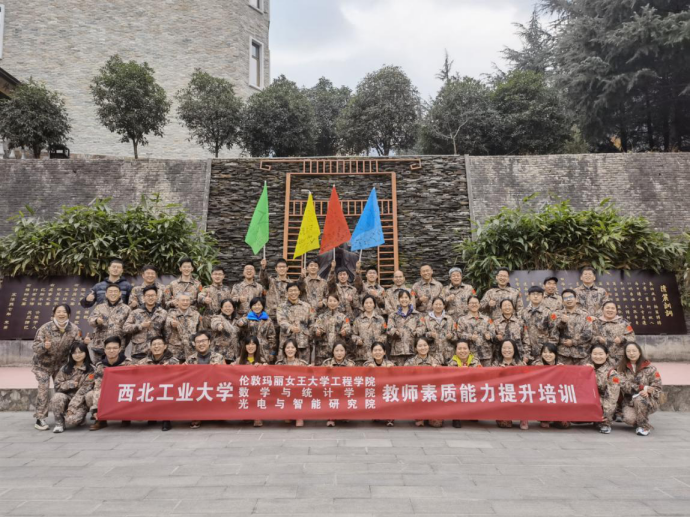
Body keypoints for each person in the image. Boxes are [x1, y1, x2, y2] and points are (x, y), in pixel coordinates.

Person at [32, 304, 85, 431]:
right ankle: (40, 418)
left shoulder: (74, 329)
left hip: (61, 365)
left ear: (69, 314)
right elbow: (35, 347)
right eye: (58, 312)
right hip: (43, 365)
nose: (61, 314)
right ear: (54, 314)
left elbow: (77, 347)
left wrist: (85, 343)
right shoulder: (45, 328)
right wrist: (44, 346)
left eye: (64, 312)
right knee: (43, 389)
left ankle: (66, 414)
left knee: (62, 389)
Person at [87, 336, 132, 431]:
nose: (112, 351)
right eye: (109, 348)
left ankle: (126, 417)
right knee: (90, 395)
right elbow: (98, 386)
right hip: (107, 393)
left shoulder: (128, 364)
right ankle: (101, 419)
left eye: (115, 348)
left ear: (120, 349)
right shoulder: (100, 366)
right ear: (105, 350)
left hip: (123, 393)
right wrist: (95, 409)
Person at [49, 341, 95, 433]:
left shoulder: (91, 369)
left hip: (82, 401)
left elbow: (84, 390)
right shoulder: (65, 368)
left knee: (72, 420)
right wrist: (69, 384)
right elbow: (57, 386)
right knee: (57, 397)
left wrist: (72, 408)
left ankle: (82, 418)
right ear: (71, 354)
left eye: (80, 352)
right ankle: (59, 424)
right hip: (67, 398)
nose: (77, 355)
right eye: (74, 353)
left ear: (86, 353)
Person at [618, 343, 662, 436]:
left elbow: (657, 388)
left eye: (634, 351)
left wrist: (647, 392)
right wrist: (643, 387)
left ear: (639, 352)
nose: (631, 353)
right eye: (628, 351)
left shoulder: (651, 368)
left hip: (648, 400)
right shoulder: (621, 368)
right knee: (628, 419)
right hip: (629, 401)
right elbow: (623, 385)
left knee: (640, 399)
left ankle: (643, 427)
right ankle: (640, 419)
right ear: (625, 353)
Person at [136, 336, 179, 432]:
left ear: (165, 346)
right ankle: (151, 415)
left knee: (167, 392)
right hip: (150, 390)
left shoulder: (173, 362)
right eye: (154, 345)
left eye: (159, 344)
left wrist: (170, 370)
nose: (156, 347)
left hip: (166, 390)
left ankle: (166, 419)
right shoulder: (143, 362)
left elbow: (179, 378)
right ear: (150, 347)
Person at [186, 331, 225, 429]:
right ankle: (196, 416)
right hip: (197, 389)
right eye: (198, 342)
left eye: (203, 341)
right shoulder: (190, 359)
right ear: (194, 344)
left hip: (214, 387)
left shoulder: (219, 357)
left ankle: (218, 413)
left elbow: (227, 375)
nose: (201, 344)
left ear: (209, 342)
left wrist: (220, 369)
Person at [88, 284, 131, 363]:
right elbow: (90, 320)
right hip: (100, 346)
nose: (113, 293)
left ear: (120, 294)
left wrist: (123, 341)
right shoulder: (99, 307)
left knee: (117, 368)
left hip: (118, 347)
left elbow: (129, 329)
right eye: (110, 291)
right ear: (106, 294)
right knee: (99, 367)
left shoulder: (126, 309)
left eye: (115, 291)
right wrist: (97, 321)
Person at [405, 338, 443, 428]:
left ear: (428, 346)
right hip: (417, 393)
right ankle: (420, 416)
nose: (423, 348)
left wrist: (438, 369)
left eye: (425, 345)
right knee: (419, 422)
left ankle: (431, 415)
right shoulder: (410, 362)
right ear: (416, 348)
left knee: (437, 424)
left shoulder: (435, 361)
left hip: (431, 392)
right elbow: (405, 377)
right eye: (420, 346)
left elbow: (441, 379)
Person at [124, 286, 168, 362]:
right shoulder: (135, 312)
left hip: (157, 352)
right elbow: (125, 328)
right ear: (143, 297)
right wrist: (140, 326)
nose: (150, 298)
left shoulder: (163, 313)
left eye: (153, 295)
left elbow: (166, 333)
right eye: (148, 296)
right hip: (139, 351)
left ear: (156, 297)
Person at [532, 342, 569, 430]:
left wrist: (562, 370)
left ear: (555, 354)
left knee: (564, 424)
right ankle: (544, 418)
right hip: (542, 393)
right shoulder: (537, 364)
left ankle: (556, 418)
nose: (547, 355)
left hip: (556, 395)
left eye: (550, 352)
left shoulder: (560, 365)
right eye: (545, 352)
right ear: (541, 354)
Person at [552, 289, 594, 366]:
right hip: (563, 354)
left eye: (570, 297)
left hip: (581, 354)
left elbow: (588, 334)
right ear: (562, 301)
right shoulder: (557, 314)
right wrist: (562, 322)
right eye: (565, 298)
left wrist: (573, 341)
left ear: (576, 299)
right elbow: (554, 332)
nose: (568, 299)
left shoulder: (585, 314)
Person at [493, 339, 528, 430]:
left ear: (514, 349)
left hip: (517, 394)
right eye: (504, 348)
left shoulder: (520, 364)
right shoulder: (496, 363)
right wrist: (499, 371)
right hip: (502, 395)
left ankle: (523, 417)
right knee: (505, 424)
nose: (507, 350)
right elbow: (491, 380)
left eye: (509, 348)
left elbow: (527, 381)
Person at [447, 340, 482, 429]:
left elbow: (481, 376)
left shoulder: (475, 361)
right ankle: (456, 417)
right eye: (459, 349)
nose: (462, 351)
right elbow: (449, 379)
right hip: (458, 388)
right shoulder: (452, 362)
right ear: (455, 351)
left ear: (469, 350)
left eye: (465, 348)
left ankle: (472, 413)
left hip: (472, 387)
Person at [277, 283, 314, 364]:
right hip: (287, 344)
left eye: (295, 290)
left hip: (303, 343)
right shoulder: (281, 306)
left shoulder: (307, 306)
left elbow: (312, 323)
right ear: (287, 292)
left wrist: (309, 335)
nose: (293, 293)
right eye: (290, 291)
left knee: (303, 366)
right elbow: (281, 321)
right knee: (284, 367)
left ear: (299, 292)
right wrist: (290, 327)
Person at [275, 339, 309, 427]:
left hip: (298, 392)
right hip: (285, 391)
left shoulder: (302, 364)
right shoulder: (279, 364)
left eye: (292, 347)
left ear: (296, 349)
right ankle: (288, 413)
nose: (290, 350)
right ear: (284, 350)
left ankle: (299, 416)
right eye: (287, 348)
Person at [235, 336, 266, 428]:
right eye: (248, 344)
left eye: (253, 344)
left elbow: (267, 375)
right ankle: (247, 413)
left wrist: (263, 367)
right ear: (244, 346)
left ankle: (257, 416)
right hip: (244, 390)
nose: (250, 346)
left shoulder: (262, 360)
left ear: (257, 346)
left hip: (257, 390)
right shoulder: (239, 360)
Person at [589, 344, 621, 435]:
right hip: (589, 399)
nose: (597, 356)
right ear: (591, 355)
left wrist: (605, 417)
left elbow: (612, 398)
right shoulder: (587, 367)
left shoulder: (611, 373)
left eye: (601, 354)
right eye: (595, 354)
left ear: (606, 355)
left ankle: (605, 422)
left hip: (603, 402)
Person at [322, 342, 355, 428]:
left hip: (345, 389)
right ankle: (331, 418)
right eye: (336, 351)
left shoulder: (350, 363)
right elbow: (320, 378)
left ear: (345, 352)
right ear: (333, 351)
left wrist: (352, 370)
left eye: (341, 350)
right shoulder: (327, 363)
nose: (339, 353)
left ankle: (344, 415)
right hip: (331, 389)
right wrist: (326, 370)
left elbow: (356, 378)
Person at [313, 294, 351, 367]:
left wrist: (345, 331)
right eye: (330, 301)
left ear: (338, 302)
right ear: (327, 302)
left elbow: (348, 327)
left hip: (338, 351)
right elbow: (316, 327)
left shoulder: (344, 317)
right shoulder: (321, 317)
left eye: (334, 301)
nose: (332, 303)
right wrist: (317, 331)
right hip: (323, 350)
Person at [457, 296, 495, 367]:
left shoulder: (487, 319)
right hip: (469, 355)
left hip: (486, 354)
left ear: (479, 304)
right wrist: (470, 337)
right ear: (468, 305)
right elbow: (459, 334)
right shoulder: (462, 319)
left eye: (476, 303)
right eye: (472, 303)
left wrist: (489, 335)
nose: (474, 305)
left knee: (487, 373)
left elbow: (493, 332)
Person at [387, 290, 422, 366]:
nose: (404, 299)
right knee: (399, 372)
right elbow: (389, 328)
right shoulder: (393, 315)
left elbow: (422, 326)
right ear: (399, 299)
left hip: (412, 348)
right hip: (397, 350)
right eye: (402, 297)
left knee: (412, 372)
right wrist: (395, 332)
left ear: (410, 299)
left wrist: (417, 332)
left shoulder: (417, 314)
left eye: (406, 297)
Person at [164, 293, 202, 363]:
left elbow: (200, 332)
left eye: (187, 300)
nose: (185, 302)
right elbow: (166, 323)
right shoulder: (171, 313)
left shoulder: (196, 314)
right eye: (183, 300)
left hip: (191, 350)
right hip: (175, 350)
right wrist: (171, 323)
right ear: (177, 302)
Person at [520, 286, 555, 363]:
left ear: (542, 296)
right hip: (527, 351)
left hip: (544, 351)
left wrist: (549, 349)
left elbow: (554, 331)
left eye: (538, 294)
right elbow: (522, 332)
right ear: (529, 296)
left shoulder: (548, 312)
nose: (536, 296)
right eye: (533, 294)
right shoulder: (524, 312)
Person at [364, 342, 396, 427]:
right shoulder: (367, 364)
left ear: (384, 352)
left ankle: (390, 417)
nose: (377, 352)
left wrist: (392, 369)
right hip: (374, 390)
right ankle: (376, 414)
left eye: (380, 350)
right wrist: (368, 369)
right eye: (375, 350)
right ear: (371, 352)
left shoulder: (390, 364)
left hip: (386, 389)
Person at [237, 297, 277, 364]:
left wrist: (272, 353)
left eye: (259, 305)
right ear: (251, 307)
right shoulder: (248, 317)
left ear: (262, 306)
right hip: (250, 348)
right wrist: (241, 323)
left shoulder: (268, 320)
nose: (257, 307)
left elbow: (272, 338)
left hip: (264, 350)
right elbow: (240, 322)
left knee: (263, 367)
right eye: (254, 305)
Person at [419, 297, 457, 364]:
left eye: (440, 304)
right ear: (432, 305)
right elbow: (421, 335)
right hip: (433, 354)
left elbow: (456, 334)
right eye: (436, 304)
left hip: (449, 353)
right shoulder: (426, 319)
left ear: (444, 306)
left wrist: (452, 336)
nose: (438, 306)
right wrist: (430, 334)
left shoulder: (449, 318)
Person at [351, 295, 387, 366]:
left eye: (371, 303)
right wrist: (357, 340)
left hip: (378, 355)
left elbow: (385, 333)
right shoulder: (358, 320)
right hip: (362, 354)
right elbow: (353, 335)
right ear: (363, 305)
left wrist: (381, 339)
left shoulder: (381, 319)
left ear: (374, 304)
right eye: (366, 303)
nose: (368, 305)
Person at [493, 299, 532, 364]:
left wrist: (526, 355)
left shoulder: (520, 322)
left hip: (519, 357)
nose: (507, 307)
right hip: (501, 358)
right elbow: (492, 341)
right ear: (500, 309)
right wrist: (496, 337)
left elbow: (526, 340)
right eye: (505, 305)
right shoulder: (495, 323)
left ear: (513, 308)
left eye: (509, 305)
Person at [210, 299, 241, 364]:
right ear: (221, 309)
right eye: (225, 306)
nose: (227, 308)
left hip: (234, 354)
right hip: (220, 354)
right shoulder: (217, 317)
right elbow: (214, 323)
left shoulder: (237, 320)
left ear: (233, 308)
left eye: (229, 306)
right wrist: (219, 326)